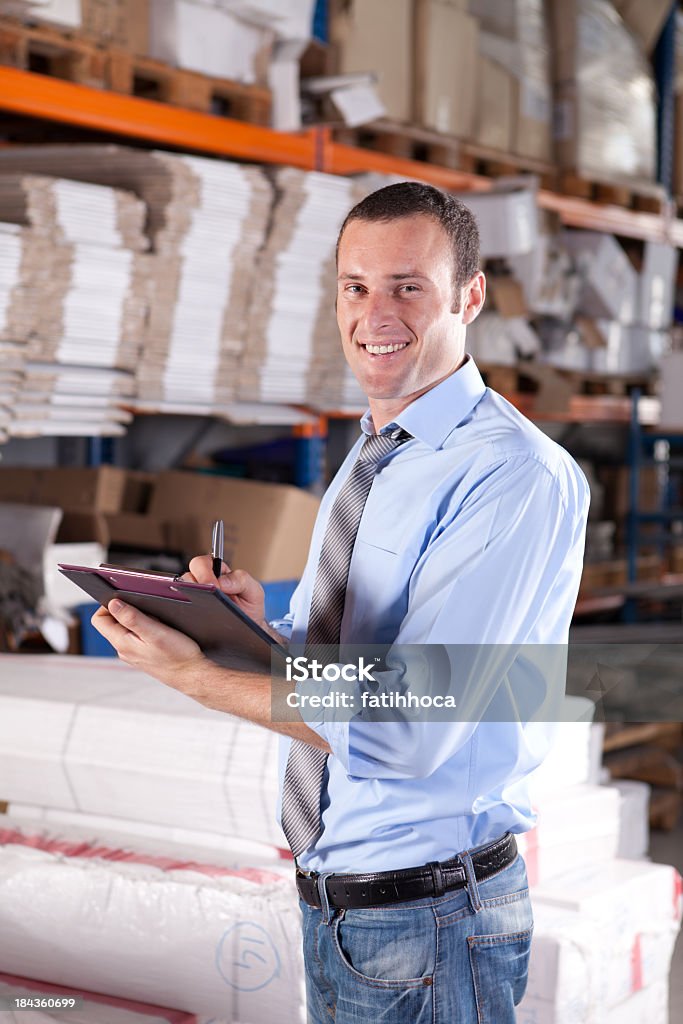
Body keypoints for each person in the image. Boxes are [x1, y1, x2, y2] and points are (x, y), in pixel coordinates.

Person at [93, 181, 590, 1024]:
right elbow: (357, 664)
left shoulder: (510, 474)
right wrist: (249, 628)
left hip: (429, 918)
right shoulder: (375, 452)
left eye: (408, 286)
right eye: (356, 287)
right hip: (345, 907)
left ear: (468, 297)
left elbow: (410, 717)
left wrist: (199, 679)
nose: (375, 313)